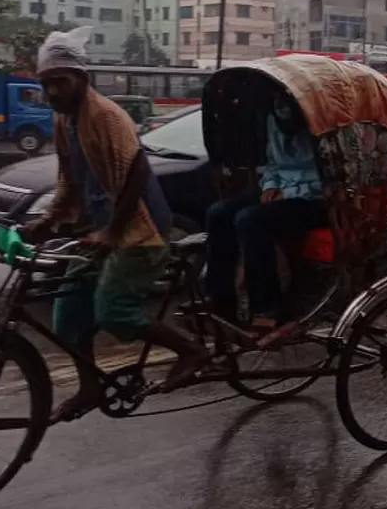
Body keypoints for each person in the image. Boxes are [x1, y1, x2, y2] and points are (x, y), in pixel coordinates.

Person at [25, 27, 206, 421]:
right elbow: (69, 179)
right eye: (46, 83)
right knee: (68, 317)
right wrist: (48, 218)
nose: (53, 91)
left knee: (113, 312)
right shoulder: (64, 121)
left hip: (141, 230)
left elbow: (136, 171)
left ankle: (191, 351)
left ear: (81, 79)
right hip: (100, 229)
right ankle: (90, 386)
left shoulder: (105, 115)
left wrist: (112, 232)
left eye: (60, 81)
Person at [204, 92, 327, 345]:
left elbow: (330, 174)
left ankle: (267, 306)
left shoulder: (322, 123)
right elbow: (273, 163)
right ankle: (220, 298)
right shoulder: (275, 117)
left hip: (316, 198)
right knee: (218, 213)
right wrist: (270, 185)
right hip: (282, 189)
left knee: (249, 220)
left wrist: (288, 192)